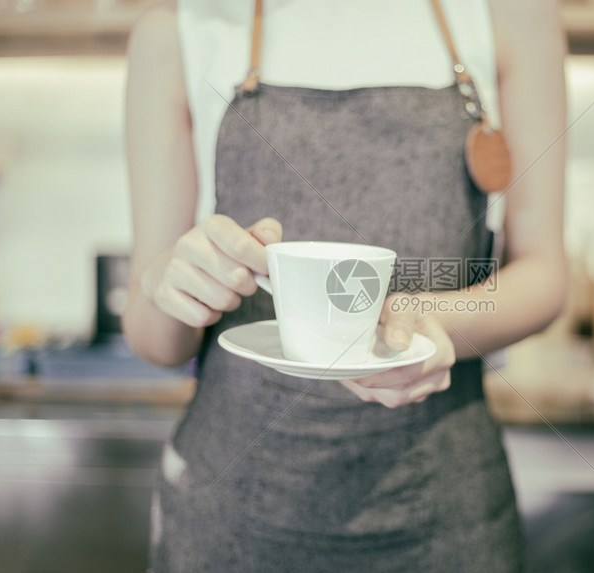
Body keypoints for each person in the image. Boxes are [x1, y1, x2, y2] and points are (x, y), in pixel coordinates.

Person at [123, 0, 567, 570]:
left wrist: (421, 326)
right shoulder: (175, 33)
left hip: (445, 514)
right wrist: (169, 284)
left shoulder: (509, 17)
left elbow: (546, 274)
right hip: (230, 517)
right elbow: (158, 344)